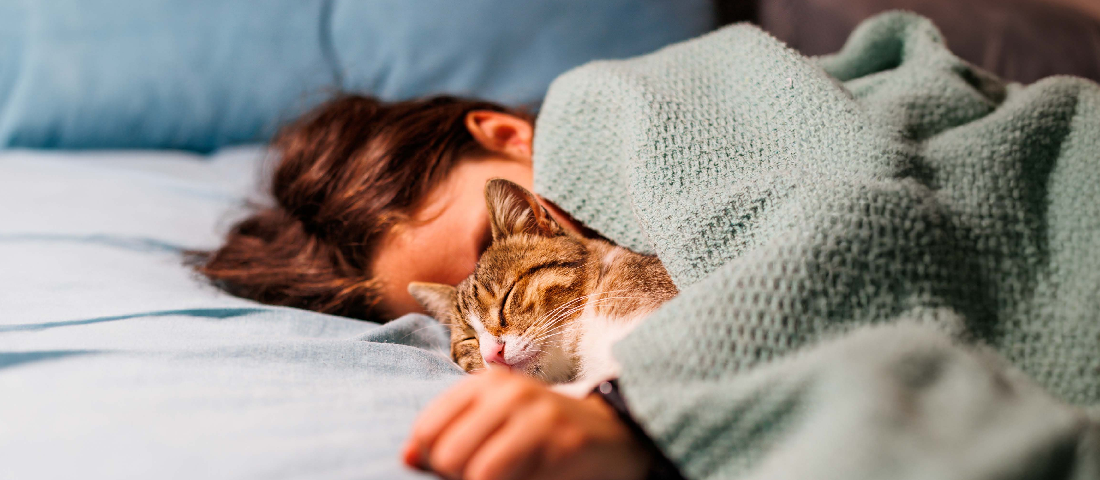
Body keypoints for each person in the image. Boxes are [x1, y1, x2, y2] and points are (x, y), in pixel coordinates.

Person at [195, 94, 672, 480]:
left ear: (508, 137)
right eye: (458, 321)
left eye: (491, 245)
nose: (493, 351)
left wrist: (624, 412)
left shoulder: (652, 117)